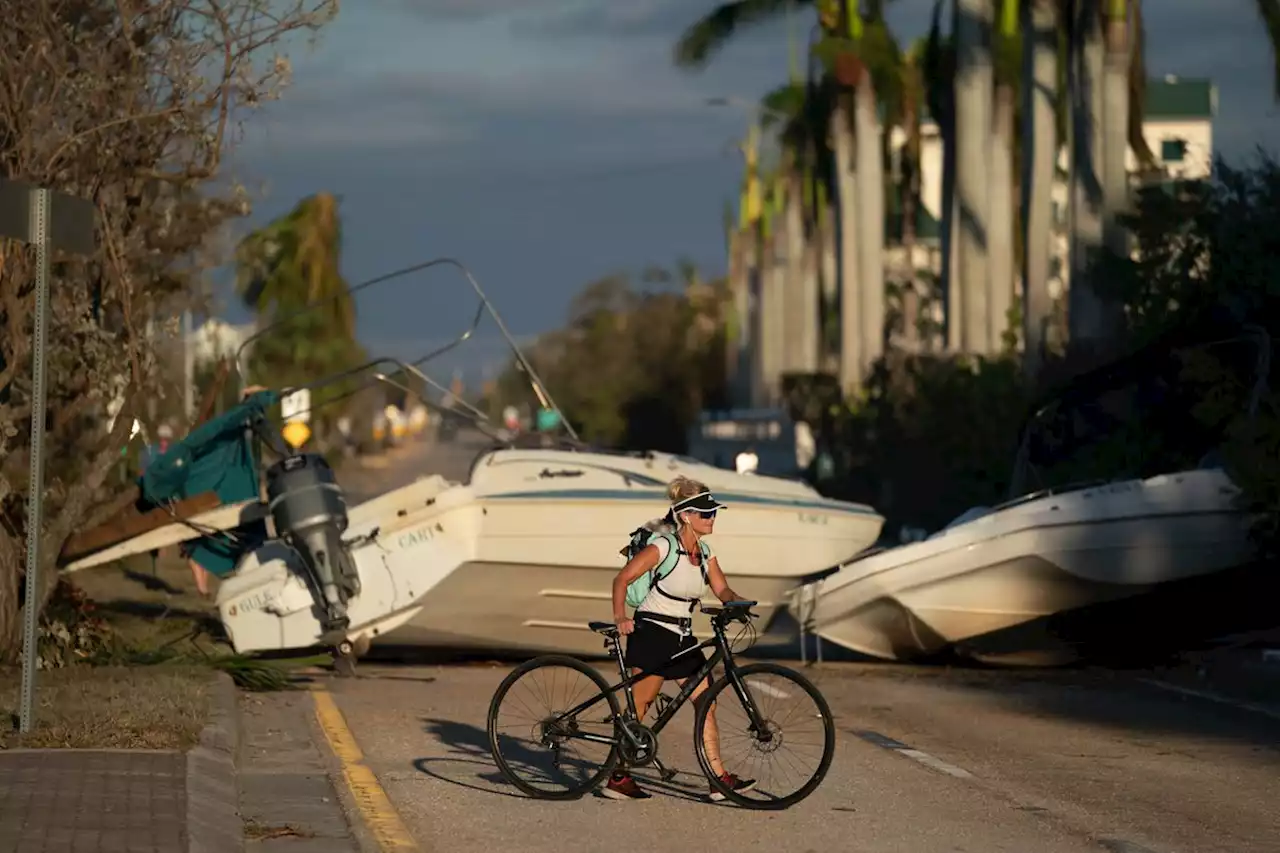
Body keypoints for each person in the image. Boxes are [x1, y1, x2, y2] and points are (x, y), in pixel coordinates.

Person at [603, 475, 757, 802]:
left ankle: (719, 780)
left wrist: (737, 602)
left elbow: (721, 588)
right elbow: (622, 579)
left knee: (706, 703)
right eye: (705, 513)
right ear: (686, 515)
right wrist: (620, 619)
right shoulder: (663, 546)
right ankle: (617, 775)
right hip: (652, 631)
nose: (712, 518)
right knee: (640, 706)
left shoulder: (705, 551)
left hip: (683, 635)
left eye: (714, 512)